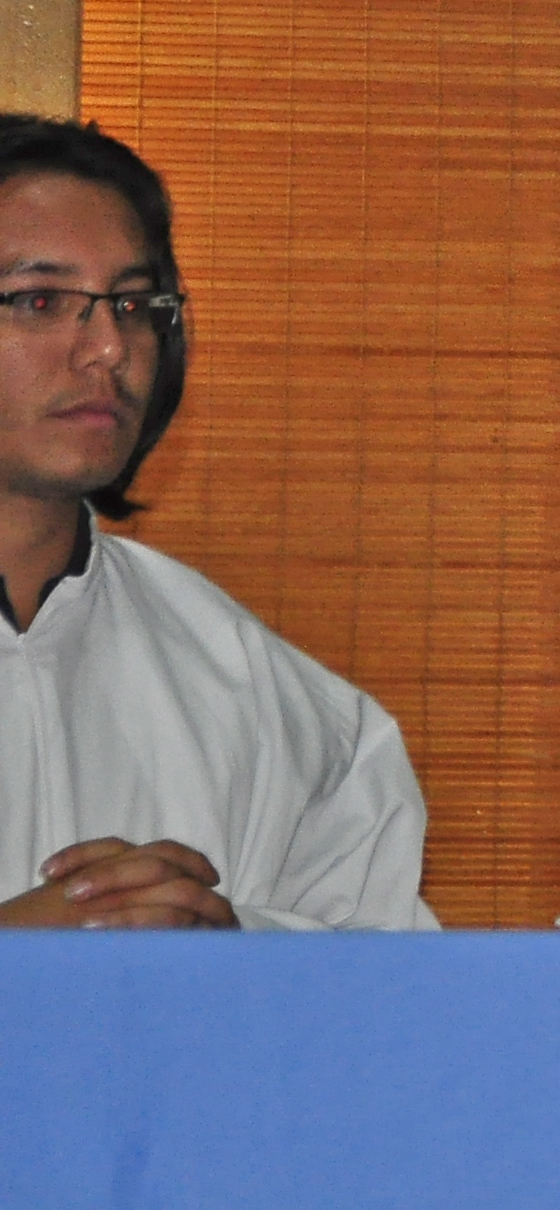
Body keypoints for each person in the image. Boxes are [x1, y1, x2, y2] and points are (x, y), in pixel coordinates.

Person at [0, 117, 431, 930]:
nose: (107, 348)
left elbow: (390, 1002)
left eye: (132, 304)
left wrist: (226, 957)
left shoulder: (264, 694)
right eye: (40, 300)